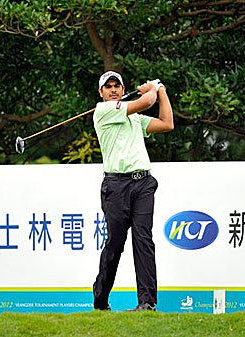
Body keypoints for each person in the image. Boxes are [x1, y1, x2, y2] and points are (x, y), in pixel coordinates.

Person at [92, 71, 173, 312]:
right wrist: (152, 87)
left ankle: (147, 302)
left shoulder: (134, 118)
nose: (114, 90)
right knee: (115, 244)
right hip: (116, 186)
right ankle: (100, 297)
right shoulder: (102, 111)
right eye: (109, 87)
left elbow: (167, 123)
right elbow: (147, 101)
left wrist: (162, 91)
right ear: (101, 93)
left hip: (143, 184)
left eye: (117, 86)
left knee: (143, 240)